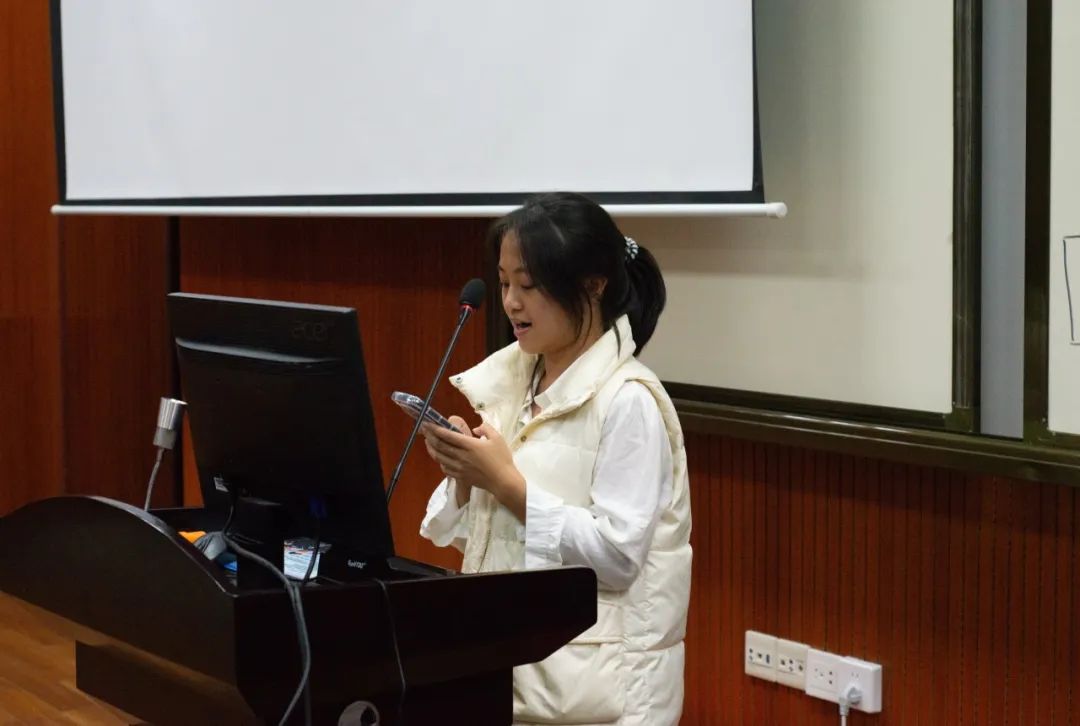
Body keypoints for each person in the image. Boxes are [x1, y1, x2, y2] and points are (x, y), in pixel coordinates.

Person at [419, 192, 692, 726]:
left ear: (592, 285)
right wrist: (466, 475)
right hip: (515, 675)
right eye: (504, 283)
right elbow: (484, 541)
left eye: (529, 285)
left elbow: (617, 557)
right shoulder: (512, 385)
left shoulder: (629, 400)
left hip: (605, 698)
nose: (511, 303)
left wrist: (505, 483)